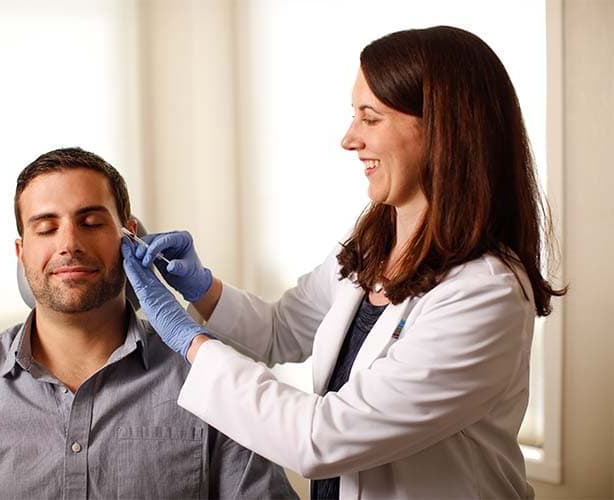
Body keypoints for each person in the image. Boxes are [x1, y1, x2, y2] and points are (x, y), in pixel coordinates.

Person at [121, 26, 567, 500]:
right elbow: (280, 330)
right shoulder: (373, 245)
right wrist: (200, 288)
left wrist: (188, 340)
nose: (349, 139)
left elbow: (323, 439)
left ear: (441, 130)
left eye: (369, 118)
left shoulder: (485, 293)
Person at [0, 147, 297, 499]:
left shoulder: (208, 382)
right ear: (21, 253)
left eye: (91, 223)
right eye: (46, 227)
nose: (69, 244)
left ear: (130, 237)